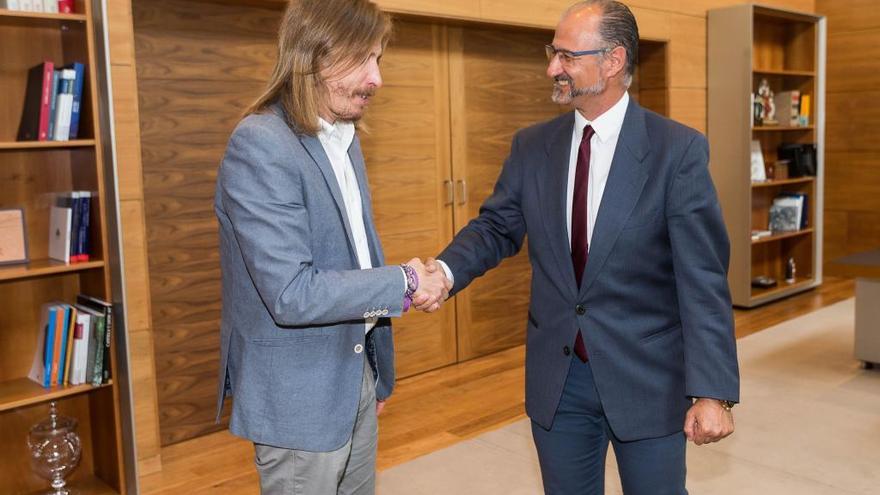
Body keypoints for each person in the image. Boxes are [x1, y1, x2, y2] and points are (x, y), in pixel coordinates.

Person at [425, 1, 739, 493]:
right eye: (553, 53)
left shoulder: (676, 151)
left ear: (612, 62)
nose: (552, 67)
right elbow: (496, 227)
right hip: (559, 378)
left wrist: (712, 391)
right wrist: (443, 272)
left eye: (567, 56)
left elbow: (702, 278)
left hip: (648, 378)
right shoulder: (532, 146)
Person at [213, 0, 449, 493]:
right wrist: (405, 282)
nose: (376, 78)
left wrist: (374, 375)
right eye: (364, 58)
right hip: (300, 399)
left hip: (353, 375)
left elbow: (354, 257)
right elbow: (292, 293)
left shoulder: (342, 137)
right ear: (315, 56)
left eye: (378, 59)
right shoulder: (261, 143)